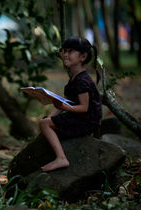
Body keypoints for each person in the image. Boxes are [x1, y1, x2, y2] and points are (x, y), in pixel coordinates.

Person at [39, 36, 102, 172]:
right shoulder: (74, 79)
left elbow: (84, 108)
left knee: (44, 124)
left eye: (70, 51)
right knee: (45, 122)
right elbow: (63, 102)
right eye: (65, 51)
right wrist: (50, 118)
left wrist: (64, 108)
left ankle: (61, 158)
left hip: (86, 120)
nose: (66, 55)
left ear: (83, 57)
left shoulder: (82, 81)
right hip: (80, 117)